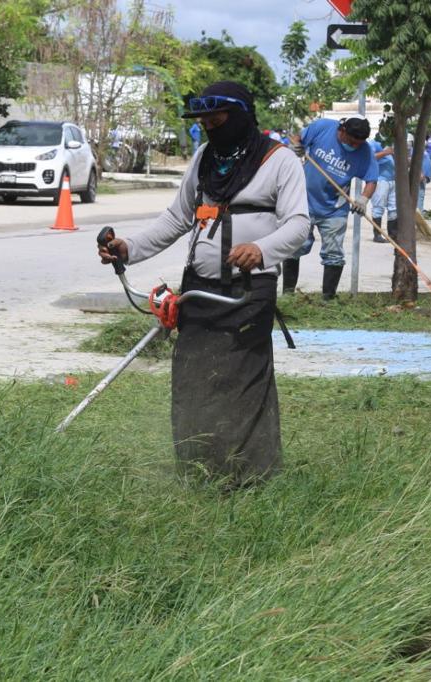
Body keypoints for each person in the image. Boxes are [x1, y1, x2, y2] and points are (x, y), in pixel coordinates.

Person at [97, 81, 309, 486]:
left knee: (242, 381)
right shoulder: (204, 159)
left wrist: (262, 249)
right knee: (194, 378)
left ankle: (248, 476)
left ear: (242, 115)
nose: (210, 127)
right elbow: (178, 218)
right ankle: (198, 470)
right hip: (199, 287)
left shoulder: (280, 161)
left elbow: (299, 224)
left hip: (249, 291)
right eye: (205, 121)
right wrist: (129, 248)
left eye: (218, 119)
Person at [283, 117, 378, 297]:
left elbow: (371, 179)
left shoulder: (365, 152)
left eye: (358, 143)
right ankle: (288, 294)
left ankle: (328, 299)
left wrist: (363, 199)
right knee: (295, 248)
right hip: (303, 202)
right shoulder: (323, 127)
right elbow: (297, 138)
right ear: (341, 130)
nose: (354, 146)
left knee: (334, 253)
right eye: (351, 142)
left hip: (335, 209)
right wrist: (294, 147)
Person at [368, 138, 396, 243]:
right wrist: (385, 153)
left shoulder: (394, 142)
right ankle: (377, 235)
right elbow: (369, 158)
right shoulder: (374, 143)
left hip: (393, 180)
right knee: (378, 207)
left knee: (394, 208)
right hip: (380, 180)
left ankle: (392, 235)